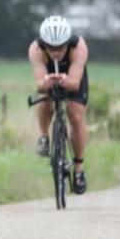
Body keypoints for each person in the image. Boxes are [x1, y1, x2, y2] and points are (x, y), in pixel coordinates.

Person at [29, 14, 89, 194]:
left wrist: (66, 80)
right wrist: (46, 82)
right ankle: (44, 136)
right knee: (44, 98)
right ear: (44, 44)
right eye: (51, 48)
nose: (56, 52)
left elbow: (75, 83)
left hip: (72, 75)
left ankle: (79, 168)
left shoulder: (78, 47)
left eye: (60, 47)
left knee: (75, 114)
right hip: (48, 74)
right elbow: (39, 84)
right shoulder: (36, 49)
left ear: (67, 42)